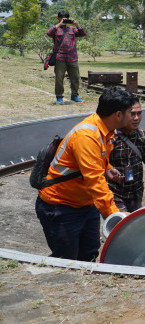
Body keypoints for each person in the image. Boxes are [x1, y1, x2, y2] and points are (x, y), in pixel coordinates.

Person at [35, 88, 136, 261]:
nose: (133, 118)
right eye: (130, 113)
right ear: (118, 115)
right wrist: (114, 216)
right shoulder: (87, 136)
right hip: (61, 208)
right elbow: (95, 181)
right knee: (66, 260)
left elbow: (97, 160)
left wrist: (107, 167)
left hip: (86, 206)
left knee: (88, 255)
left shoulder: (105, 131)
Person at [46, 11, 86, 105]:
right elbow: (48, 33)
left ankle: (75, 96)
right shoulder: (56, 29)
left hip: (72, 58)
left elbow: (83, 33)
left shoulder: (72, 29)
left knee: (75, 78)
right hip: (60, 58)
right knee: (59, 78)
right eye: (62, 18)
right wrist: (59, 24)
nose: (64, 20)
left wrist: (76, 24)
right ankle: (59, 97)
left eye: (65, 18)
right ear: (58, 18)